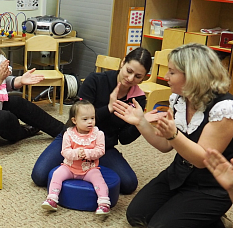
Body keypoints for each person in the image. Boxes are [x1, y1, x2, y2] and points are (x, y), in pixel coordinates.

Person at [114, 43, 233, 228]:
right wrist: (141, 123)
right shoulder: (179, 99)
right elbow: (165, 145)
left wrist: (174, 135)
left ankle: (215, 224)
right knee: (136, 216)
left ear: (193, 75)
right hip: (177, 175)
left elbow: (202, 160)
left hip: (210, 187)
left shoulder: (224, 108)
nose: (166, 77)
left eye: (172, 72)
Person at [32, 47, 152, 194]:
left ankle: (89, 165)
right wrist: (109, 108)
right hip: (72, 140)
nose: (131, 78)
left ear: (144, 77)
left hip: (101, 147)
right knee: (39, 176)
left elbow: (124, 139)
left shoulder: (138, 99)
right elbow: (78, 118)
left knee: (129, 185)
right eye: (129, 71)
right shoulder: (95, 80)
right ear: (122, 63)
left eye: (138, 76)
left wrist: (139, 123)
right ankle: (72, 164)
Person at [42, 100, 110, 214]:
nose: (90, 122)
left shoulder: (98, 134)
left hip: (89, 168)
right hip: (70, 167)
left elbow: (100, 151)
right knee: (57, 174)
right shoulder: (68, 134)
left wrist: (87, 153)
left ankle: (103, 203)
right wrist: (77, 153)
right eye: (85, 119)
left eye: (92, 118)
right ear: (74, 120)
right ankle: (52, 198)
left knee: (99, 180)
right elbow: (65, 151)